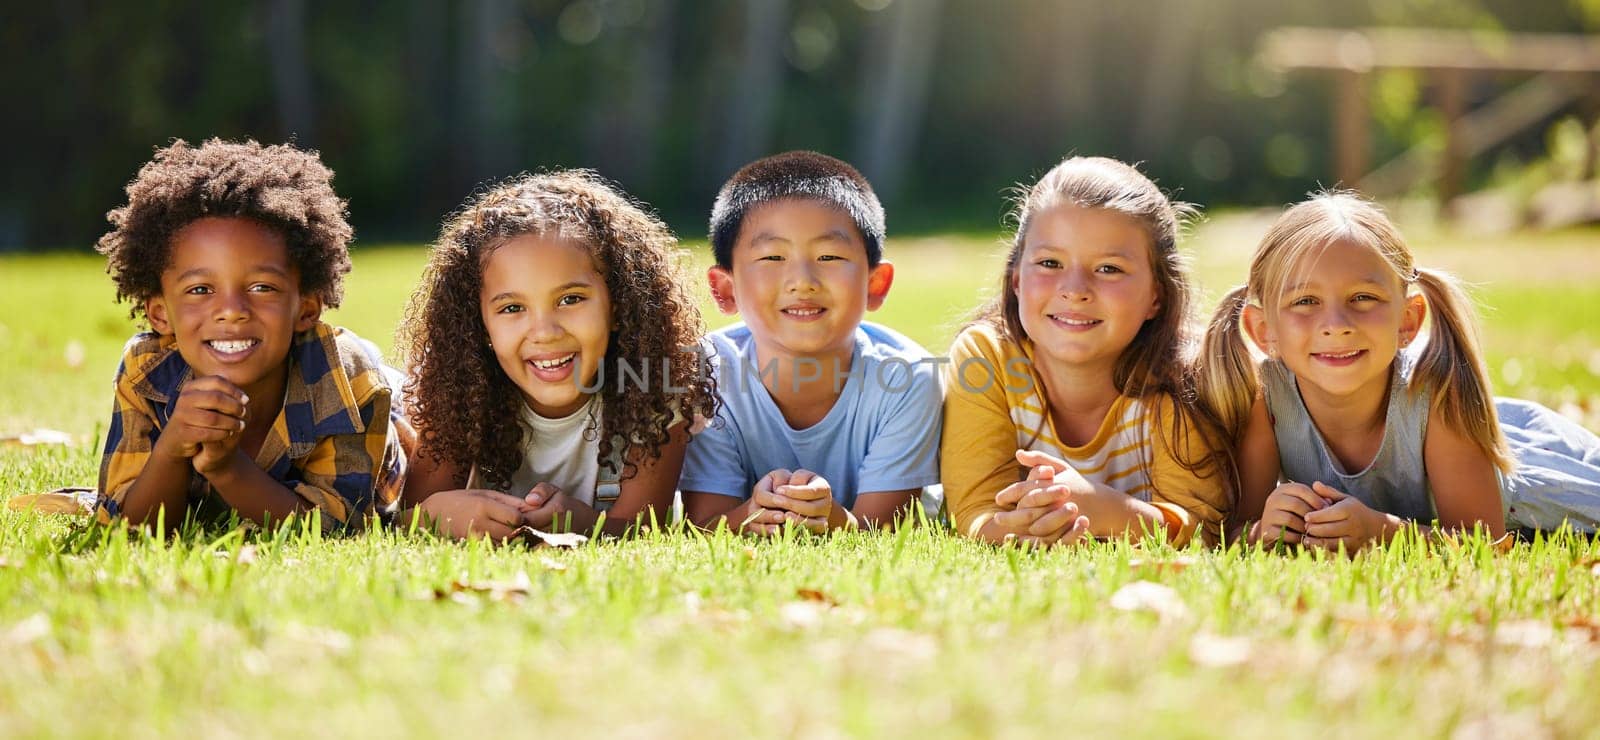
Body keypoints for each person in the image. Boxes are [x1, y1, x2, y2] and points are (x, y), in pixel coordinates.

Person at [1202, 191, 1600, 551]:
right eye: (1305, 300)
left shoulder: (1438, 393)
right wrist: (1263, 531)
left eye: (1363, 297)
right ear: (1263, 330)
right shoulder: (1266, 400)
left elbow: (1487, 544)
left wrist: (1381, 533)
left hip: (1535, 485)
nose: (1336, 323)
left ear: (1407, 320)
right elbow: (1235, 531)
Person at [95, 138, 406, 531]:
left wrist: (228, 469)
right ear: (160, 314)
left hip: (386, 408)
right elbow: (126, 527)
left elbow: (338, 528)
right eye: (200, 290)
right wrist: (171, 449)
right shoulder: (147, 371)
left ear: (306, 307)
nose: (231, 311)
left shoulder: (348, 382)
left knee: (420, 425)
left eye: (262, 287)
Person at [399, 171, 716, 540]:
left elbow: (645, 531)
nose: (546, 332)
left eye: (570, 300)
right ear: (477, 324)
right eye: (512, 308)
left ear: (620, 304)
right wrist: (435, 515)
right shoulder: (455, 388)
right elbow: (404, 519)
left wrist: (581, 520)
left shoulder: (656, 384)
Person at [942, 156, 1231, 547]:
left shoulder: (1185, 374)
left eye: (1109, 269)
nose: (1075, 289)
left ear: (1157, 296)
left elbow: (1203, 528)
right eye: (1049, 263)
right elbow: (973, 513)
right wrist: (1022, 524)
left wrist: (1107, 511)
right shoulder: (986, 357)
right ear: (1016, 281)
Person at [680, 151, 943, 535]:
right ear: (725, 289)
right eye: (772, 256)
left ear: (876, 284)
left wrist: (829, 516)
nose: (802, 280)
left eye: (828, 256)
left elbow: (883, 532)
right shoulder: (704, 374)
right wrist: (755, 512)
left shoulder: (908, 379)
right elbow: (703, 526)